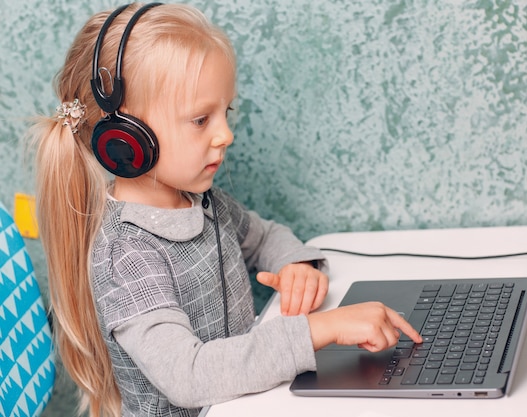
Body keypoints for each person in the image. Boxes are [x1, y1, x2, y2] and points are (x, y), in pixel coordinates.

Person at [29, 3, 422, 417]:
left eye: (226, 112)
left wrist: (294, 266)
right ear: (127, 138)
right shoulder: (126, 254)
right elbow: (190, 375)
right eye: (201, 119)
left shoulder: (202, 203)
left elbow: (265, 236)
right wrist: (318, 330)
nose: (226, 134)